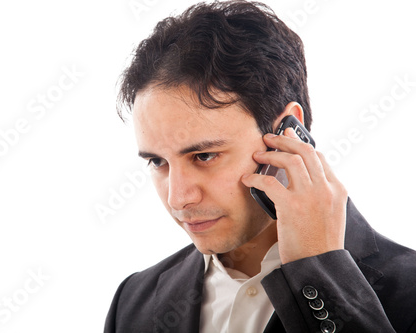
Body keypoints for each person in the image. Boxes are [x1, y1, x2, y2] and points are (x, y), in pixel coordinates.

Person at [104, 1, 416, 332]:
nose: (179, 198)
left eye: (205, 156)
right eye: (157, 161)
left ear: (286, 134)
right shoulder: (134, 301)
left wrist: (321, 274)